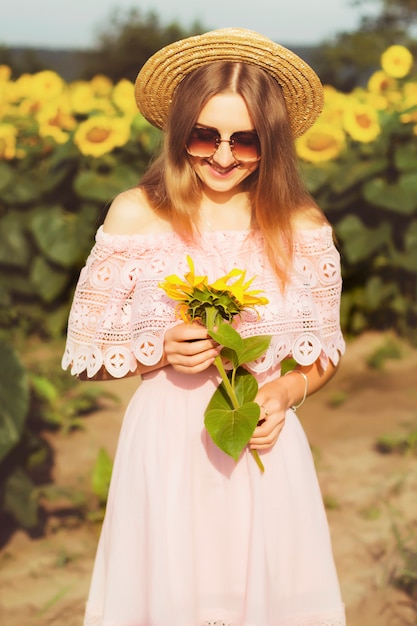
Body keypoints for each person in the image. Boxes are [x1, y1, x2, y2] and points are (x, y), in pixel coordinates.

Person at [62, 28, 346, 626]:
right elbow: (89, 344)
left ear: (272, 143)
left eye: (245, 141)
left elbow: (321, 352)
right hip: (168, 448)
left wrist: (285, 393)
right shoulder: (136, 213)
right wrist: (157, 348)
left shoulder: (300, 223)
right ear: (178, 130)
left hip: (262, 443)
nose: (222, 156)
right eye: (204, 135)